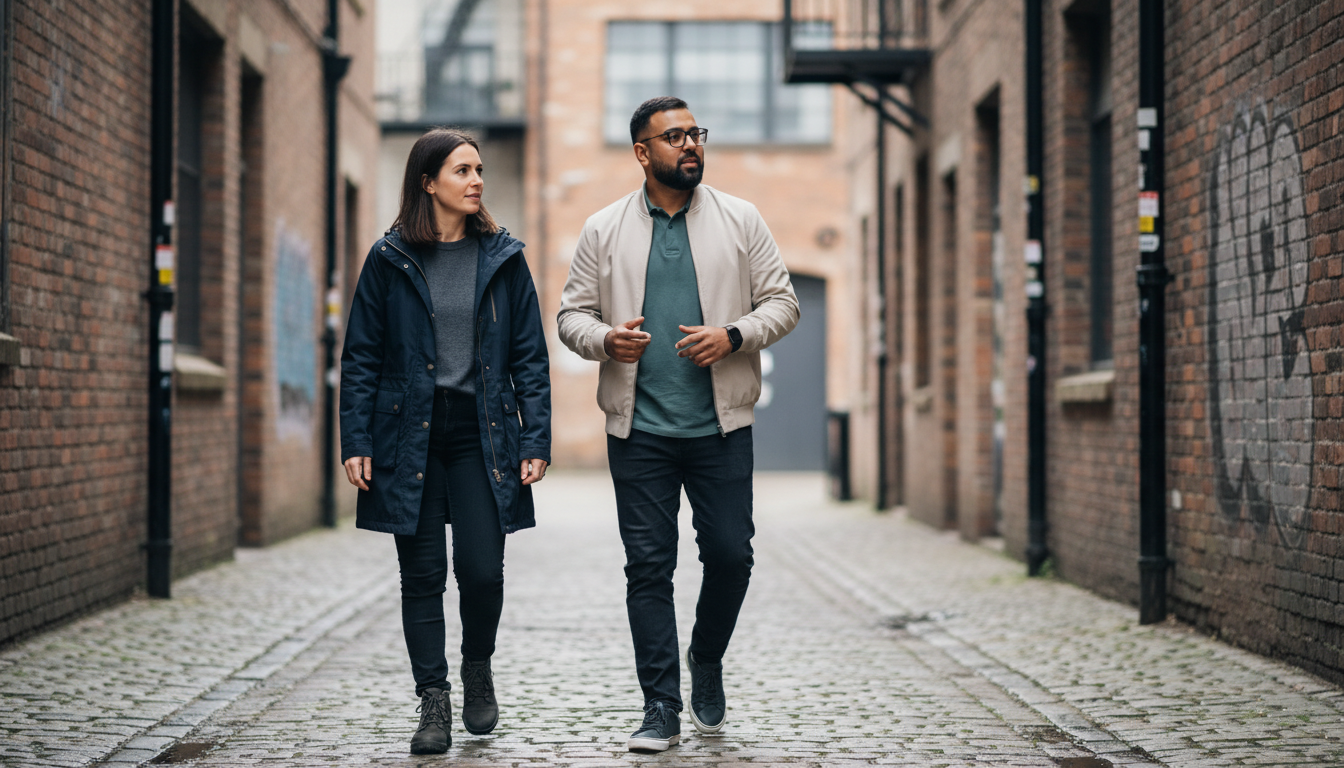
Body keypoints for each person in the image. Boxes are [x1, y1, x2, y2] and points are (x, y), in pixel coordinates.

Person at [557, 96, 799, 752]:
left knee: (730, 555)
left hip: (721, 426)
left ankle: (707, 657)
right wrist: (607, 340)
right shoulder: (603, 229)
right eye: (674, 136)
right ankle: (660, 705)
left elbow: (784, 301)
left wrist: (736, 334)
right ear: (643, 153)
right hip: (640, 431)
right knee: (648, 567)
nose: (690, 145)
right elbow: (570, 315)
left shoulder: (741, 220)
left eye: (695, 133)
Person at [340, 128, 551, 755]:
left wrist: (533, 436)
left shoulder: (504, 257)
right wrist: (356, 438)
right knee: (422, 573)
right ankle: (433, 699)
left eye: (479, 169)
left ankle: (477, 667)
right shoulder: (389, 257)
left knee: (483, 571)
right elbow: (362, 357)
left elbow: (530, 358)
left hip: (481, 433)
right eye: (462, 170)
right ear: (428, 181)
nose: (476, 180)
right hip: (408, 434)